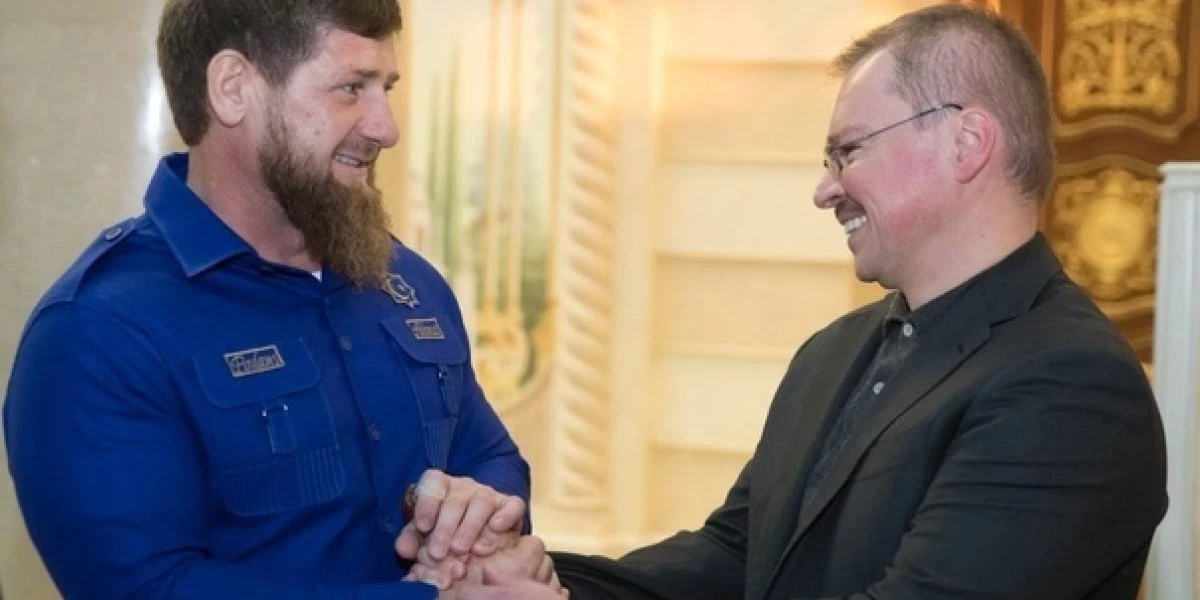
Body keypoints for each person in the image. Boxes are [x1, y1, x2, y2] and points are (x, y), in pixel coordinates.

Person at [409, 4, 1169, 599]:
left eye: (849, 151)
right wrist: (541, 581)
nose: (826, 189)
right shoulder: (834, 351)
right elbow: (732, 559)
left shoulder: (1071, 385)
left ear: (967, 143)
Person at [3, 1, 538, 598]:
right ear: (234, 89)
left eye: (385, 88)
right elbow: (151, 588)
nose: (386, 127)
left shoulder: (406, 282)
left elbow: (491, 456)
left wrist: (484, 516)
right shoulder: (97, 330)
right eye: (351, 88)